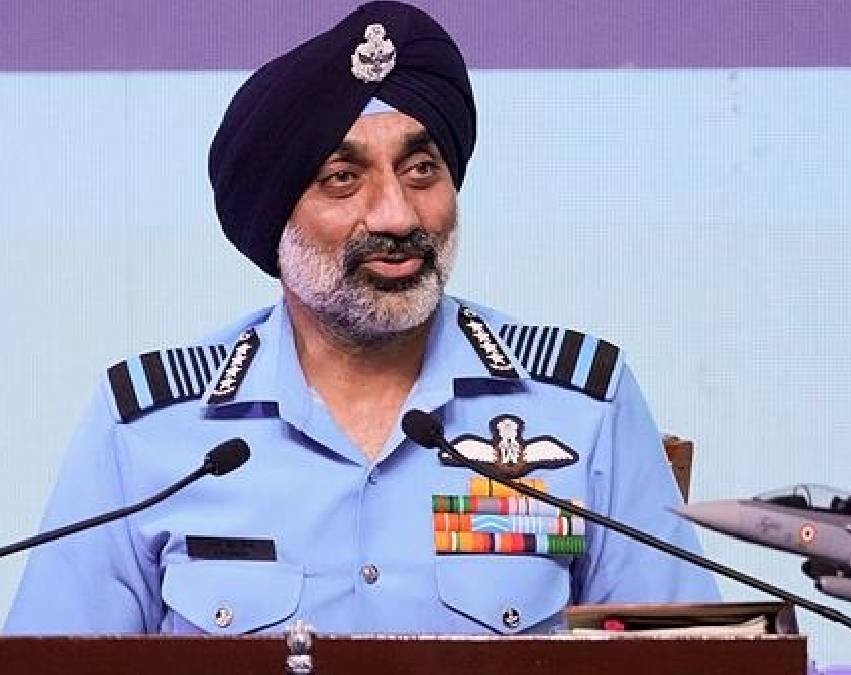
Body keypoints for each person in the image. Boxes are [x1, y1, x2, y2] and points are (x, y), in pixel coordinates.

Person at [4, 1, 718, 635]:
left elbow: (689, 660)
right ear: (275, 219)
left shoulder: (583, 405)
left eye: (421, 170)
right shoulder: (152, 428)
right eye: (343, 179)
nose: (397, 216)